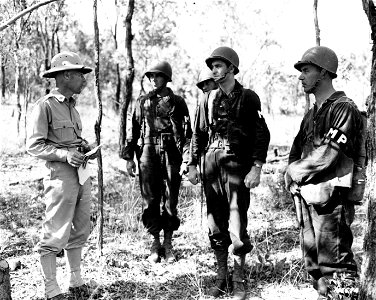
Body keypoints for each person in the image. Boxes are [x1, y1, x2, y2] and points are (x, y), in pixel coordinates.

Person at [188, 46, 270, 300]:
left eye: (219, 65)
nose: (214, 69)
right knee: (214, 222)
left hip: (237, 165)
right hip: (211, 163)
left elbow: (261, 134)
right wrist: (192, 164)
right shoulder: (207, 98)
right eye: (212, 66)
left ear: (232, 68)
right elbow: (198, 134)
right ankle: (221, 276)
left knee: (237, 221)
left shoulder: (248, 97)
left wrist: (256, 167)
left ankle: (238, 277)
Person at [284, 46, 364, 300]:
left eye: (306, 70)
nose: (300, 76)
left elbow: (328, 154)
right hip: (309, 196)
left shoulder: (344, 108)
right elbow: (296, 151)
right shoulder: (310, 115)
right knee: (314, 265)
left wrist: (294, 172)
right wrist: (292, 174)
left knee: (337, 266)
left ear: (324, 73)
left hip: (333, 202)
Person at [27, 51, 95, 300]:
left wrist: (85, 148)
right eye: (80, 74)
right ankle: (51, 288)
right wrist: (64, 155)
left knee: (80, 229)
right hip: (60, 177)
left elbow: (72, 140)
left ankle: (76, 281)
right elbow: (34, 145)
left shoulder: (73, 107)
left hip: (81, 174)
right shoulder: (45, 106)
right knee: (56, 231)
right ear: (66, 75)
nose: (84, 80)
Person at [120, 61, 192, 264]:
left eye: (157, 76)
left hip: (171, 153)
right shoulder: (142, 102)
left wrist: (188, 159)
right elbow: (133, 131)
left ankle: (168, 243)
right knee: (150, 199)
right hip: (147, 153)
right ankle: (154, 241)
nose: (153, 80)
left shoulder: (178, 102)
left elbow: (187, 134)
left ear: (167, 78)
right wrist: (129, 158)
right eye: (150, 77)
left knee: (171, 199)